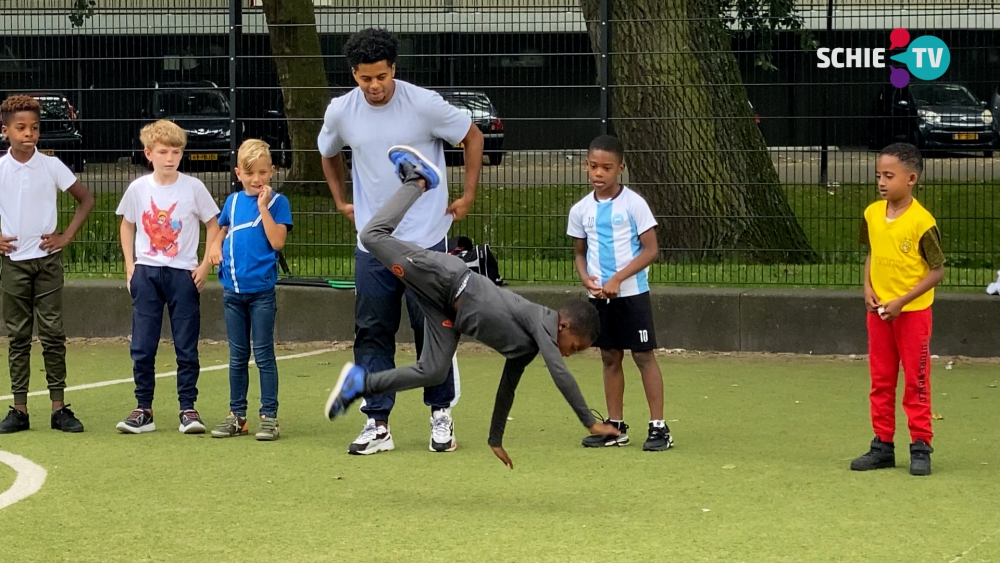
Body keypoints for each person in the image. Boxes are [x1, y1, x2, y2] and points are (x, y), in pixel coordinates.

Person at [324, 146, 618, 468]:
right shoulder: (540, 320)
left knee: (434, 370)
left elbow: (507, 390)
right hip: (446, 280)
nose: (566, 355)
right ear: (563, 325)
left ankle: (360, 384)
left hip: (448, 314)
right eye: (573, 348)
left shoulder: (525, 349)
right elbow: (561, 375)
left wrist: (496, 439)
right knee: (372, 235)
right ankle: (417, 180)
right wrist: (589, 421)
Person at [317, 28, 485, 455]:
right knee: (372, 331)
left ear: (394, 69)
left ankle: (440, 414)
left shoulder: (424, 104)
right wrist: (341, 200)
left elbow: (472, 136)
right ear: (353, 74)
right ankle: (378, 423)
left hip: (427, 243)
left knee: (433, 329)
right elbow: (327, 150)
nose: (374, 87)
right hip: (372, 245)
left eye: (381, 77)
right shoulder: (341, 112)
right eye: (364, 78)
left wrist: (467, 195)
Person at [115, 119, 221, 435]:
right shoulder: (138, 188)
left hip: (182, 274)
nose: (170, 158)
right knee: (143, 344)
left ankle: (188, 409)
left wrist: (204, 266)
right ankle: (143, 409)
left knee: (186, 345)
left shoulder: (193, 187)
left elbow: (213, 225)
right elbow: (127, 224)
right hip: (146, 272)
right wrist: (130, 265)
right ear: (149, 153)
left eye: (176, 151)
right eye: (163, 152)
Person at [567, 135, 672, 451]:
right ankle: (615, 426)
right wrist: (586, 278)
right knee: (609, 356)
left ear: (620, 169)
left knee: (643, 356)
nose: (599, 173)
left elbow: (651, 250)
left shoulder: (634, 204)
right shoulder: (581, 209)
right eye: (593, 166)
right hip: (600, 300)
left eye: (607, 168)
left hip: (632, 295)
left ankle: (658, 427)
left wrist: (619, 279)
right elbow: (580, 254)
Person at [0, 94, 94, 434]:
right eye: (21, 128)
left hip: (48, 262)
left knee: (53, 333)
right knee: (18, 336)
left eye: (35, 128)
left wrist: (65, 237)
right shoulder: (0, 168)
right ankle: (19, 409)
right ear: (5, 131)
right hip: (13, 264)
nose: (29, 134)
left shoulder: (52, 165)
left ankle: (59, 408)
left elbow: (86, 199)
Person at [852, 143, 943, 476]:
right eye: (879, 175)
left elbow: (937, 271)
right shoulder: (872, 213)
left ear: (912, 178)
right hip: (878, 313)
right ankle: (882, 445)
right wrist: (868, 289)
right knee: (881, 379)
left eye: (889, 176)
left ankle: (921, 445)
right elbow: (873, 254)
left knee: (916, 381)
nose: (882, 182)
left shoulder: (922, 222)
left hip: (912, 314)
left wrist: (902, 301)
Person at [207, 139, 292, 441]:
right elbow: (221, 229)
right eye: (250, 173)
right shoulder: (231, 202)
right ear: (238, 173)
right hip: (232, 292)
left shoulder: (278, 203)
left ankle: (268, 415)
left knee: (264, 354)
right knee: (237, 355)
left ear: (272, 172)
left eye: (263, 173)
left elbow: (277, 241)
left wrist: (263, 208)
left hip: (261, 294)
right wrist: (215, 245)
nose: (257, 180)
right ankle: (236, 415)